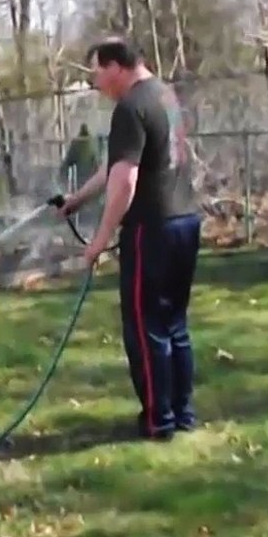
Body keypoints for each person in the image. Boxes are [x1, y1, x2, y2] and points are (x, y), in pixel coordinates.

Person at [57, 37, 202, 441]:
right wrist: (76, 200)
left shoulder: (130, 107)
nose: (95, 82)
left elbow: (125, 182)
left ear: (115, 67)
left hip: (151, 230)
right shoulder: (163, 96)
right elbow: (119, 166)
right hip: (185, 222)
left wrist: (99, 241)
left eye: (96, 72)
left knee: (146, 328)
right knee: (174, 325)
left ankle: (159, 420)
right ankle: (182, 413)